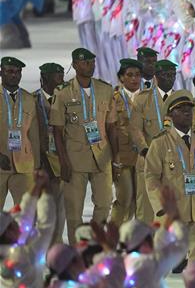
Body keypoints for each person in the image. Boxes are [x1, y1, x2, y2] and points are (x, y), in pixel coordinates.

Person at [49, 48, 118, 245]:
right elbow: (58, 131)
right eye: (85, 62)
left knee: (104, 204)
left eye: (92, 62)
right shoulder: (62, 93)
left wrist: (115, 157)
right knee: (74, 210)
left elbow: (112, 126)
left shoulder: (105, 89)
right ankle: (77, 248)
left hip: (102, 156)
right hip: (74, 158)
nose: (90, 65)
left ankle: (94, 243)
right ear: (75, 65)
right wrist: (62, 161)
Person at [144, 94, 195, 262]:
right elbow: (151, 176)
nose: (187, 112)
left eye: (189, 108)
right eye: (180, 109)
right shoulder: (160, 142)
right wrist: (162, 206)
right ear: (170, 115)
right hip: (174, 210)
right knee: (163, 260)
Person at [130, 58, 180, 223]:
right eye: (166, 75)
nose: (170, 78)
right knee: (145, 209)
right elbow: (135, 128)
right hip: (148, 159)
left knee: (172, 209)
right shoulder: (142, 99)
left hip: (174, 162)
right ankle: (143, 245)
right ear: (156, 77)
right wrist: (144, 149)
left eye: (173, 75)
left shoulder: (181, 99)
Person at [32, 62, 66, 243]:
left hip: (61, 162)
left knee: (60, 210)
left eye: (62, 75)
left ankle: (55, 246)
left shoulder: (67, 98)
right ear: (44, 79)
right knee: (39, 210)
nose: (62, 80)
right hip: (39, 164)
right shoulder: (32, 100)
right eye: (57, 76)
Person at [0, 56, 40, 205]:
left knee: (27, 214)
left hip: (24, 166)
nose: (14, 75)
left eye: (18, 72)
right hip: (0, 164)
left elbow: (34, 135)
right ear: (1, 72)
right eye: (10, 71)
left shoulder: (29, 99)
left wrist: (37, 167)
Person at [110, 58, 143, 225]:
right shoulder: (113, 98)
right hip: (122, 156)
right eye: (129, 75)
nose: (134, 79)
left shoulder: (147, 98)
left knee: (140, 201)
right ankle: (113, 234)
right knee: (125, 197)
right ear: (121, 78)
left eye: (137, 75)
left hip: (143, 156)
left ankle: (134, 237)